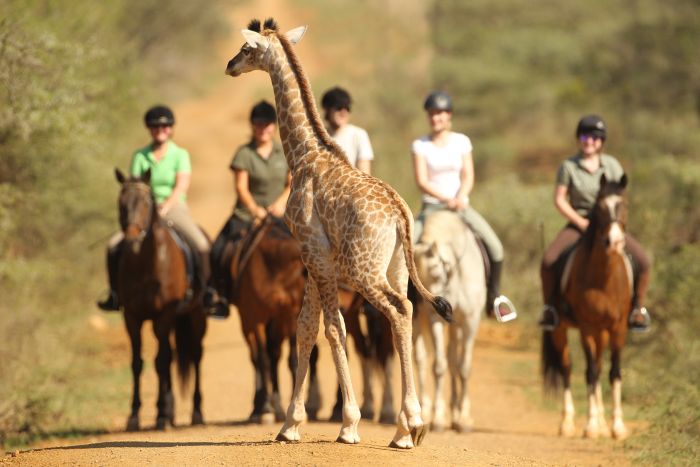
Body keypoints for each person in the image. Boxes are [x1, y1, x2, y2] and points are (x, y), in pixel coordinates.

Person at [538, 114, 652, 332]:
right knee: (549, 260)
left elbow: (620, 198)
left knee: (644, 261)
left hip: (608, 226)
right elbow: (560, 199)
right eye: (584, 136)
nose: (588, 141)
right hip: (579, 223)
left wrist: (617, 225)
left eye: (594, 137)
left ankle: (637, 309)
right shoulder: (568, 167)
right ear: (578, 139)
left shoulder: (612, 165)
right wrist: (580, 221)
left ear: (601, 141)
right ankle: (551, 308)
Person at [411, 91, 517, 322]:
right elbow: (422, 181)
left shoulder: (461, 141)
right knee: (407, 248)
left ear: (449, 116)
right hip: (432, 208)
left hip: (460, 206)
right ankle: (410, 302)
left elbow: (468, 174)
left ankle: (493, 300)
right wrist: (445, 198)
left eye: (440, 113)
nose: (435, 118)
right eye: (432, 113)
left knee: (495, 247)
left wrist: (460, 196)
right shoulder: (420, 145)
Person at [97, 105, 211, 311]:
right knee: (113, 246)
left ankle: (206, 293)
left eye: (165, 126)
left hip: (174, 207)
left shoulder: (180, 155)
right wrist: (145, 209)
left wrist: (166, 205)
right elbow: (134, 188)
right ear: (149, 129)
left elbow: (181, 186)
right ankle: (115, 295)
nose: (161, 130)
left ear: (171, 129)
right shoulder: (140, 156)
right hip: (144, 212)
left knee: (201, 244)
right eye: (156, 127)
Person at [206, 100, 291, 318]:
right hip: (246, 214)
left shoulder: (284, 153)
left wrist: (280, 204)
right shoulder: (244, 154)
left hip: (281, 215)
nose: (263, 129)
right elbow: (241, 188)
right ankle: (220, 296)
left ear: (274, 126)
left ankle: (316, 295)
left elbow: (291, 184)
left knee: (308, 247)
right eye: (258, 124)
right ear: (252, 126)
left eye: (267, 124)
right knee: (218, 249)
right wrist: (256, 210)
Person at [321, 86, 374, 174]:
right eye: (339, 107)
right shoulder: (317, 138)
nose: (344, 112)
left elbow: (365, 175)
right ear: (327, 109)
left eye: (347, 108)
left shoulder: (359, 135)